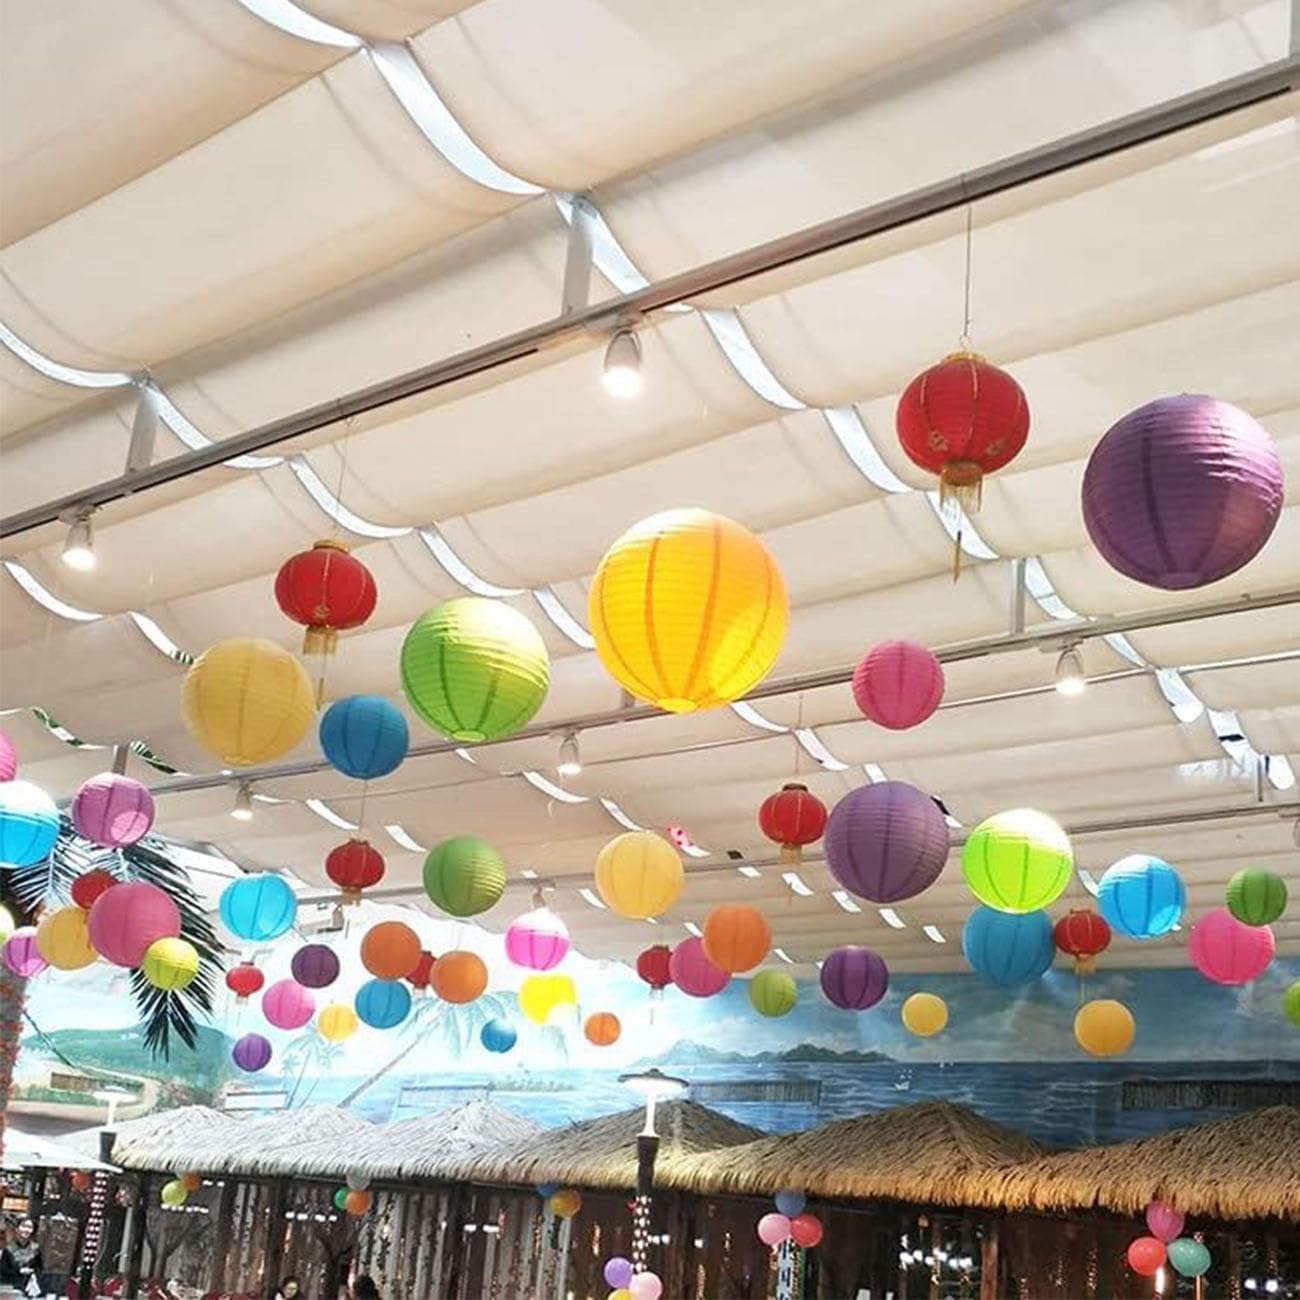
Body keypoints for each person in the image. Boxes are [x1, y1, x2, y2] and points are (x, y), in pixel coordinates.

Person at [0, 1218, 43, 1287]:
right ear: (17, 1229)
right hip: (10, 1286)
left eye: (29, 1227)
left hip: (30, 1286)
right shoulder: (8, 1249)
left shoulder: (36, 1248)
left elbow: (39, 1269)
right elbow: (3, 1270)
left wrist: (33, 1275)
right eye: (23, 1226)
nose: (26, 1230)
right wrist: (19, 1271)